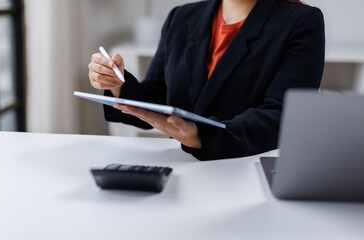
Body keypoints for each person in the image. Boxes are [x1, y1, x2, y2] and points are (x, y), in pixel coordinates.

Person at [87, 0, 325, 160]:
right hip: (180, 169)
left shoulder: (300, 21)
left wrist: (200, 136)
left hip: (245, 168)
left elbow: (281, 116)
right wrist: (117, 84)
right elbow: (158, 96)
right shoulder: (180, 18)